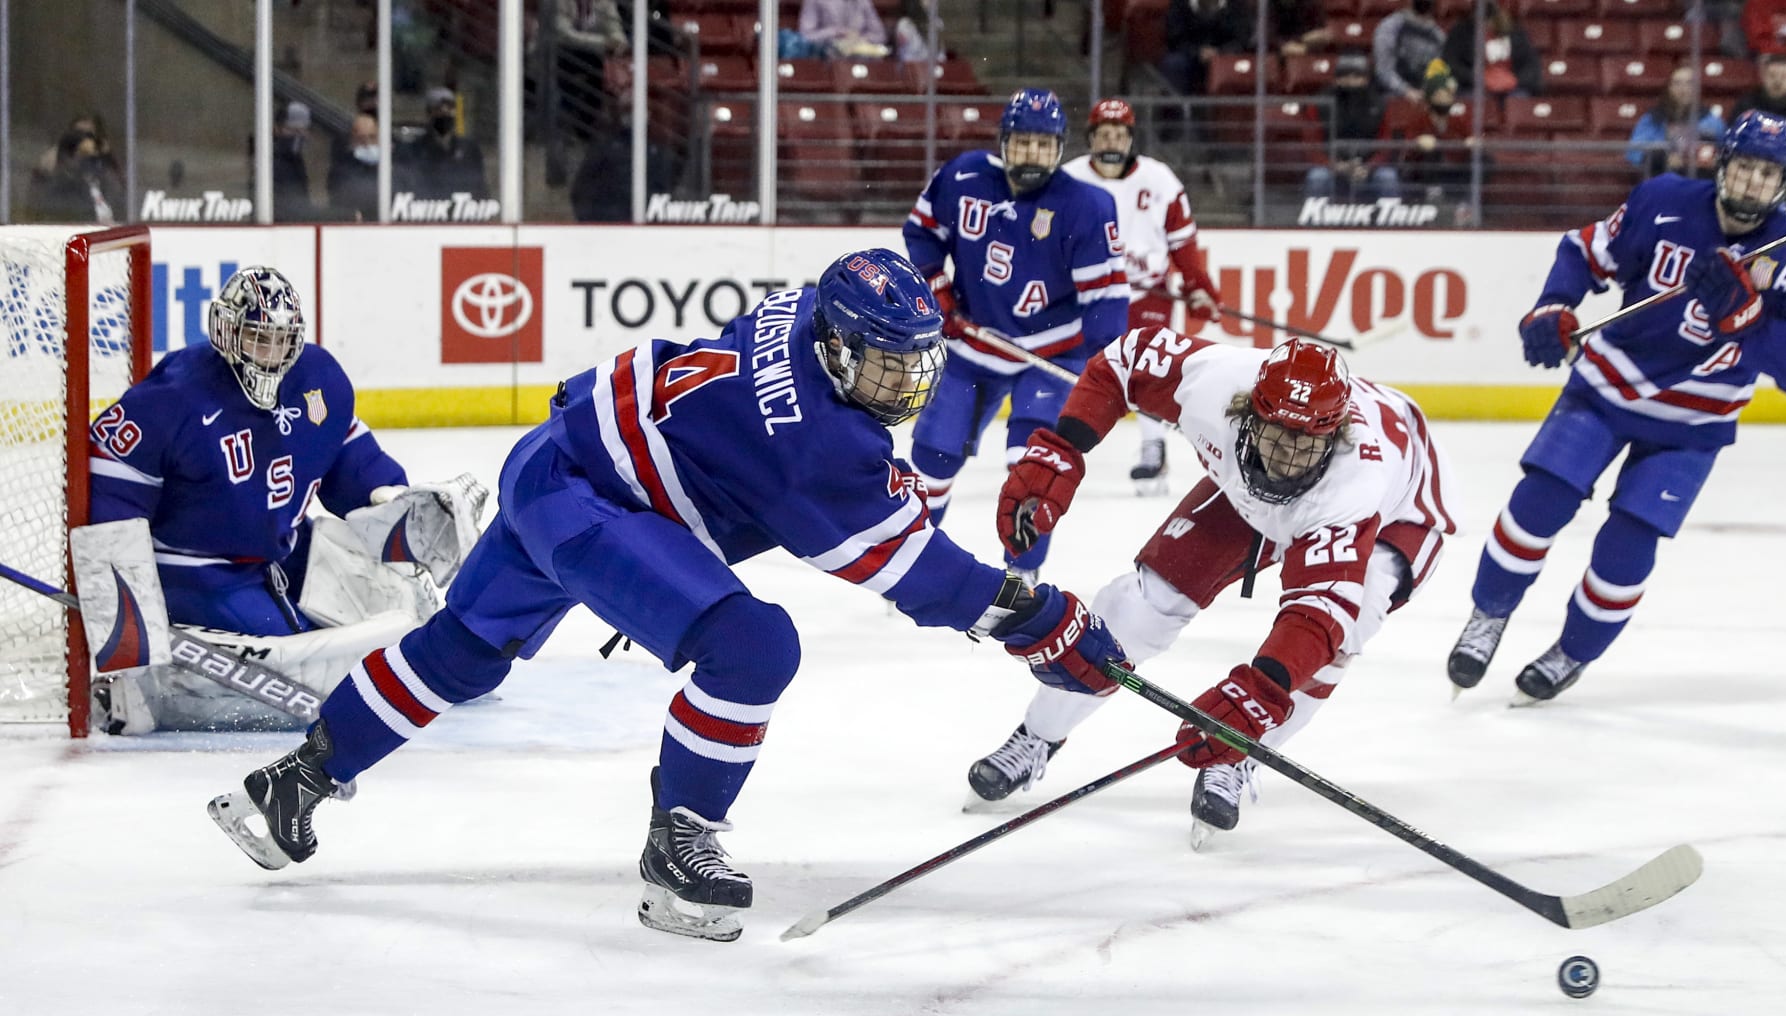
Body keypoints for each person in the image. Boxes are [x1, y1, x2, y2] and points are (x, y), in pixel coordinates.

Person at [203, 249, 1129, 943]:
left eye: (914, 363)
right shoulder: (820, 447)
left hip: (555, 457)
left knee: (462, 652)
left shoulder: (803, 306)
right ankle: (677, 851)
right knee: (753, 648)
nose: (907, 385)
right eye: (887, 366)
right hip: (596, 503)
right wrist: (1045, 621)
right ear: (839, 347)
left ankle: (289, 785)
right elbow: (922, 580)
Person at [966, 332, 1458, 848]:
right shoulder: (1213, 383)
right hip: (1253, 489)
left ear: (1334, 438)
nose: (1288, 458)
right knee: (1141, 605)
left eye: (1305, 443)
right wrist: (1063, 450)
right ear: (1248, 412)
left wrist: (1261, 690)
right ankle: (1037, 735)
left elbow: (1319, 614)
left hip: (1398, 519)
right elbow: (1120, 362)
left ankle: (1240, 752)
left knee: (1339, 638)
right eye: (1276, 435)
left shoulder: (1354, 484)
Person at [1447, 111, 1786, 704]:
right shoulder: (1662, 201)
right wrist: (1552, 306)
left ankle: (1573, 652)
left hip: (1693, 423)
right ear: (1723, 165)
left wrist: (1750, 324)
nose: (1753, 184)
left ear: (1785, 181)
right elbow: (1584, 252)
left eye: (1769, 174)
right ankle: (1489, 613)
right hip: (1606, 389)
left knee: (1627, 544)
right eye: (1745, 168)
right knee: (1539, 503)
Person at [84, 266, 485, 733]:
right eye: (257, 338)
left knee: (390, 598)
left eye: (282, 340)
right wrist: (123, 616)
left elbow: (345, 458)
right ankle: (167, 690)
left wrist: (390, 495)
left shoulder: (317, 379)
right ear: (226, 332)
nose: (271, 354)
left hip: (282, 549)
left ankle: (443, 660)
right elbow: (111, 492)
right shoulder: (175, 396)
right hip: (197, 572)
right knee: (304, 662)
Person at [902, 88, 1129, 583]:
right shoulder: (962, 176)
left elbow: (1106, 302)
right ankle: (913, 562)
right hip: (973, 344)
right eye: (1023, 142)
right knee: (931, 459)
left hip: (1054, 351)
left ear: (1061, 149)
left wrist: (1104, 367)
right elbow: (921, 233)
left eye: (1045, 145)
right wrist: (935, 286)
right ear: (1004, 141)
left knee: (1032, 470)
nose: (1033, 154)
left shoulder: (1086, 205)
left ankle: (1021, 577)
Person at [1062, 98, 1222, 495]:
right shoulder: (1067, 178)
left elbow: (1182, 241)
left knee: (1146, 371)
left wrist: (1197, 284)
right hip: (1088, 292)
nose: (1111, 140)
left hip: (1148, 293)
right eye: (1103, 133)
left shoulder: (1160, 178)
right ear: (1091, 137)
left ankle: (1153, 447)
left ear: (1131, 138)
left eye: (1119, 133)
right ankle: (1056, 440)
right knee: (1070, 362)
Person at [1374, 59, 1476, 208]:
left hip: (1452, 165)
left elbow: (1471, 137)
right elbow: (1409, 146)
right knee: (1430, 152)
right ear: (1430, 97)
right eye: (1441, 94)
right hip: (1420, 170)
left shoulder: (1457, 118)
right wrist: (1419, 143)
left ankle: (1467, 202)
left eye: (1448, 94)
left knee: (1483, 159)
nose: (1445, 98)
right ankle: (1431, 196)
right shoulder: (1419, 117)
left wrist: (1472, 142)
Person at [1305, 54, 1402, 202]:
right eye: (1344, 75)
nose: (1351, 81)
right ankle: (1314, 225)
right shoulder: (1319, 105)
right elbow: (1312, 144)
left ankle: (1390, 225)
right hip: (1332, 164)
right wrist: (1336, 166)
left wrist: (1368, 167)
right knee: (1317, 178)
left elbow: (1386, 143)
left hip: (1369, 164)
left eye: (1357, 76)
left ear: (1366, 79)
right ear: (1336, 79)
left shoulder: (1381, 105)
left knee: (1388, 178)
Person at [1628, 66, 1726, 177]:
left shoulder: (1713, 122)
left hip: (1700, 183)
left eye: (1689, 83)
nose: (1683, 89)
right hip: (1660, 181)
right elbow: (1634, 154)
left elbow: (1724, 156)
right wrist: (1664, 158)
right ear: (1669, 88)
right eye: (1677, 83)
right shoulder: (1652, 120)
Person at [401, 87, 490, 201]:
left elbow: (480, 187)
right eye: (439, 109)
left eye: (450, 108)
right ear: (429, 113)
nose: (445, 113)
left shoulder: (469, 149)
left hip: (464, 212)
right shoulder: (414, 150)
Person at [1442, 3, 1542, 99]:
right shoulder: (1460, 32)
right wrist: (1478, 78)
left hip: (1512, 89)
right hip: (1473, 88)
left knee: (1519, 100)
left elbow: (1532, 65)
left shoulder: (1515, 32)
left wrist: (1514, 80)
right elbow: (1451, 63)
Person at [26, 128, 121, 224]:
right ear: (67, 157)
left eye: (95, 155)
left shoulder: (101, 183)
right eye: (84, 154)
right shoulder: (58, 191)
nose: (91, 160)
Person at [1161, 0, 1254, 96]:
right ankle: (1177, 109)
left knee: (1245, 66)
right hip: (1189, 56)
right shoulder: (1180, 4)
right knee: (1173, 63)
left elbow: (1242, 39)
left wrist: (1219, 53)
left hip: (1226, 57)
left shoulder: (1237, 4)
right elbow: (1174, 38)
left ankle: (1233, 109)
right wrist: (1198, 52)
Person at [1373, 0, 1447, 102]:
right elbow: (1384, 71)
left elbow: (1438, 70)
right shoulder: (1390, 27)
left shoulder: (1437, 35)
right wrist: (1406, 91)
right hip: (1392, 93)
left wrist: (1431, 90)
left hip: (1423, 94)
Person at [327, 113, 383, 220]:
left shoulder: (391, 167)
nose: (367, 143)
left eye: (372, 137)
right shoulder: (341, 171)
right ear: (353, 140)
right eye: (361, 138)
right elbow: (338, 202)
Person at [800, 0, 889, 58]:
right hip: (826, 59)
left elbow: (880, 36)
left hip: (861, 57)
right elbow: (805, 36)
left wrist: (861, 38)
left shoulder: (863, 2)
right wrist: (836, 32)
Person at [1734, 52, 1786, 126]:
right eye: (1772, 76)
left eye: (1784, 76)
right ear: (1763, 77)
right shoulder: (1747, 103)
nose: (1777, 81)